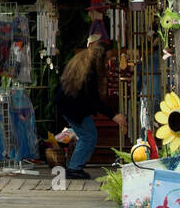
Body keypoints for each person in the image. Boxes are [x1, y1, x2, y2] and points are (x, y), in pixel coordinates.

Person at [54, 32, 128, 179]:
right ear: (100, 57)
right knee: (89, 136)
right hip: (72, 106)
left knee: (86, 135)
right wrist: (114, 116)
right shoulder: (90, 70)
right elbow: (94, 99)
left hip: (68, 104)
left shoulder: (83, 62)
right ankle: (74, 168)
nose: (108, 62)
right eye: (107, 59)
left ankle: (74, 165)